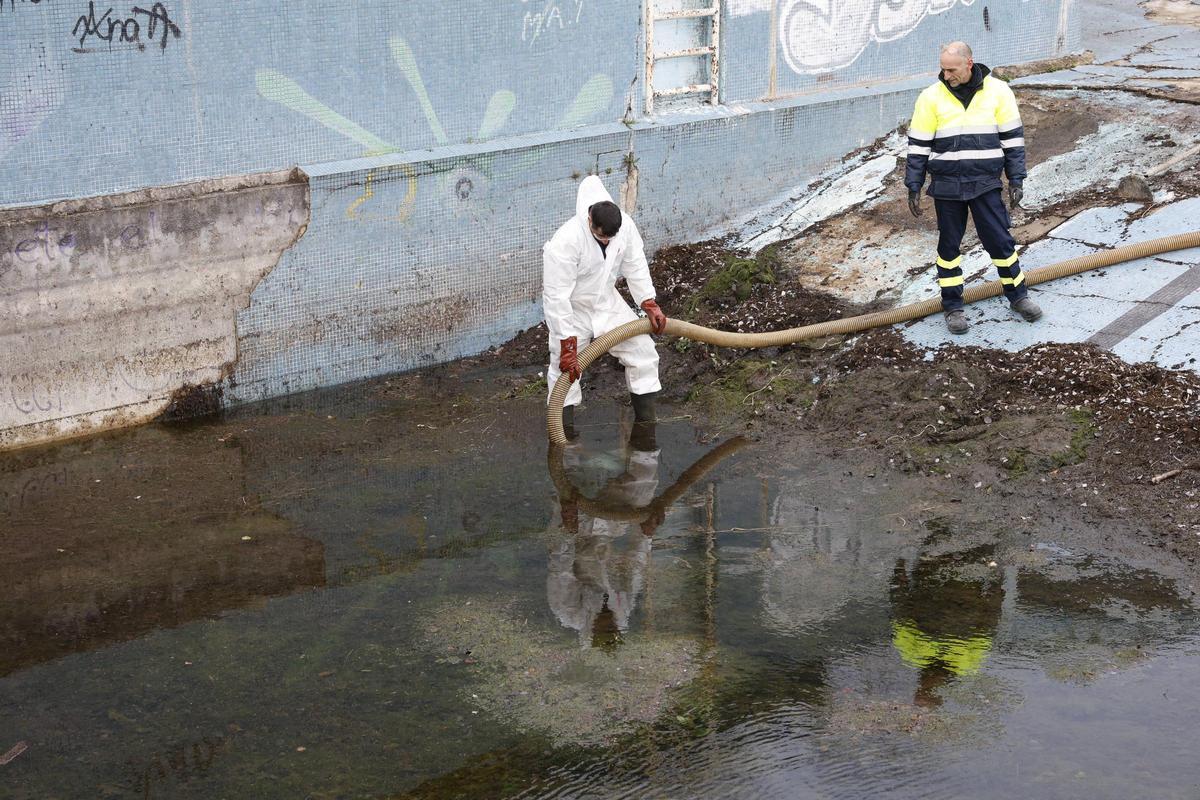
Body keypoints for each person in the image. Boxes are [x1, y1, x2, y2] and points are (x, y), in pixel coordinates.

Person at [905, 41, 1043, 335]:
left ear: (969, 64)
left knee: (1001, 244)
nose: (946, 75)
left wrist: (1016, 178)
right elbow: (918, 146)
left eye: (951, 69)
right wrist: (913, 184)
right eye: (943, 69)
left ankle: (1019, 298)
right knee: (949, 248)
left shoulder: (999, 91)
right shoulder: (930, 97)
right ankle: (953, 307)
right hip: (947, 186)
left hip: (985, 183)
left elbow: (1012, 140)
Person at [543, 175, 667, 436]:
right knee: (564, 371)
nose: (607, 243)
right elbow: (556, 297)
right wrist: (567, 342)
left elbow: (635, 263)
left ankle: (646, 430)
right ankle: (563, 435)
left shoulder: (625, 227)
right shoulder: (565, 241)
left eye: (611, 238)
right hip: (573, 311)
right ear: (590, 220)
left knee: (643, 351)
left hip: (606, 302)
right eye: (601, 238)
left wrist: (648, 301)